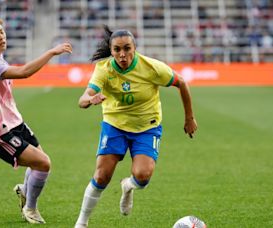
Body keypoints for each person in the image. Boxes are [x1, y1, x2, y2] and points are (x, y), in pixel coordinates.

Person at [74, 26, 197, 228]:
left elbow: (182, 83)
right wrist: (90, 99)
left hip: (147, 127)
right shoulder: (104, 69)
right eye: (117, 50)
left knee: (142, 175)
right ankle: (81, 223)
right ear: (111, 50)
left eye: (127, 48)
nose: (122, 54)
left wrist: (189, 118)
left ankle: (128, 187)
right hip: (115, 125)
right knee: (101, 176)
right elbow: (83, 98)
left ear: (134, 48)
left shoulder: (152, 67)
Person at [0, 16, 72, 224]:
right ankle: (30, 209)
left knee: (39, 162)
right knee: (44, 163)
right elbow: (24, 72)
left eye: (2, 32)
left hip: (15, 124)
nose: (1, 37)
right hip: (1, 132)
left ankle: (24, 191)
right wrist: (51, 52)